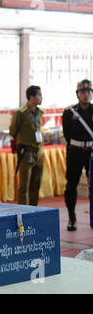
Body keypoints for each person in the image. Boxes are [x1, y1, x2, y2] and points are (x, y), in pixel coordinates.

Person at [62, 79, 93, 231]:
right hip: (74, 151)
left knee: (92, 185)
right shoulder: (69, 112)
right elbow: (67, 134)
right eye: (82, 92)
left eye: (88, 92)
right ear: (77, 94)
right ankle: (71, 218)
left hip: (91, 153)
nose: (86, 95)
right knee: (71, 185)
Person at [9, 85, 44, 206]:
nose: (41, 97)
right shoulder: (20, 113)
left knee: (36, 184)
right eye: (39, 95)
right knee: (24, 186)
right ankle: (24, 211)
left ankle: (34, 210)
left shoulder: (40, 112)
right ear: (31, 97)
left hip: (38, 152)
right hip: (26, 152)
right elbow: (13, 131)